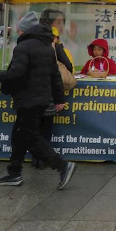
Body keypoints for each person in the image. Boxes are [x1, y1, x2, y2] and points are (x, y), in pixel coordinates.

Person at [0, 11, 76, 190]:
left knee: (32, 137)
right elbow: (55, 77)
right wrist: (59, 99)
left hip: (27, 99)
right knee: (19, 136)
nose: (18, 33)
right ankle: (14, 172)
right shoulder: (47, 47)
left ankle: (62, 165)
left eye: (19, 30)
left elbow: (15, 74)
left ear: (24, 31)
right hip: (41, 98)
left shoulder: (23, 47)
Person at [32, 26, 74, 169]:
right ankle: (45, 159)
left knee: (34, 128)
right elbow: (67, 68)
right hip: (48, 95)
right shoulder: (56, 49)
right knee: (46, 129)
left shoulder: (31, 48)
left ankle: (36, 158)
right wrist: (59, 99)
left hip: (32, 96)